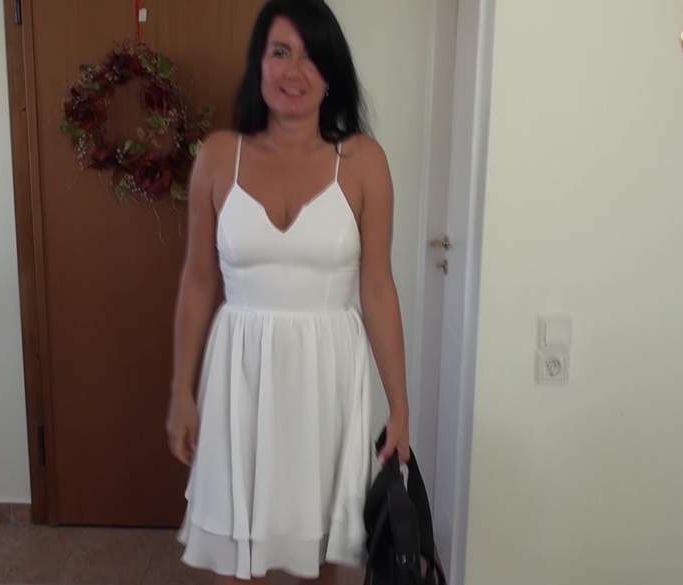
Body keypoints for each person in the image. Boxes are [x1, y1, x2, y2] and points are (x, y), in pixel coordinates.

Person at [166, 0, 409, 582]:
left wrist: (400, 406)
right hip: (239, 373)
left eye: (310, 56)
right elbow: (198, 280)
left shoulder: (364, 162)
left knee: (322, 553)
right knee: (236, 555)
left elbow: (378, 288)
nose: (294, 72)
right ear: (259, 63)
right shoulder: (218, 156)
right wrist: (181, 392)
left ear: (332, 73)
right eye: (280, 52)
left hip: (327, 376)